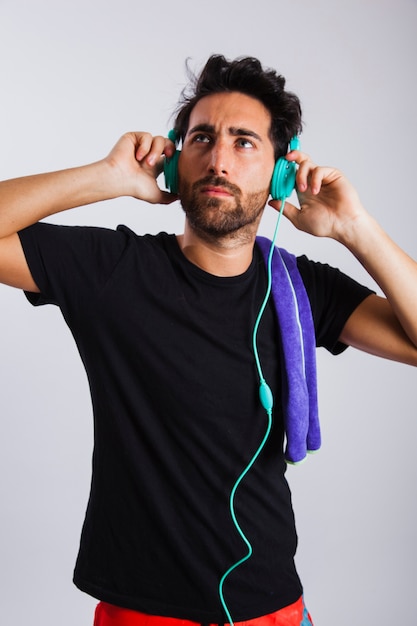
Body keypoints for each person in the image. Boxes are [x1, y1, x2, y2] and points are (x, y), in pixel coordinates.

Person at [0, 54, 416, 626]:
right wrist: (109, 177)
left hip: (270, 605)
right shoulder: (115, 269)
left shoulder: (299, 290)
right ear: (177, 158)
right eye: (202, 138)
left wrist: (354, 228)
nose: (218, 159)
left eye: (244, 142)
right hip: (141, 608)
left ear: (280, 174)